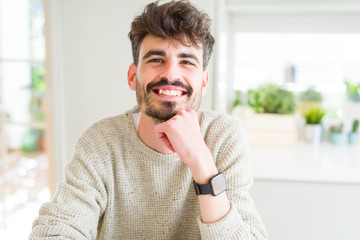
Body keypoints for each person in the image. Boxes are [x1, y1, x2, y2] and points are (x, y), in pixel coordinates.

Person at [30, 0, 267, 239]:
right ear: (133, 76)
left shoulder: (224, 136)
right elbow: (56, 229)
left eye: (186, 61)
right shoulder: (101, 143)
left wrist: (201, 161)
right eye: (156, 59)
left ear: (203, 82)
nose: (171, 74)